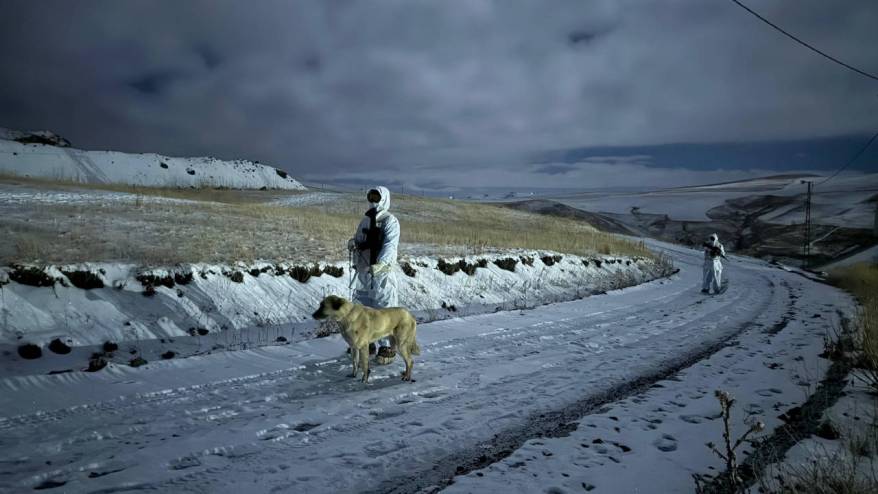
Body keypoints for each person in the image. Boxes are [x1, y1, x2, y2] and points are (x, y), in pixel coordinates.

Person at [348, 186, 401, 365]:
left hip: (381, 274)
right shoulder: (365, 220)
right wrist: (353, 246)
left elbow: (390, 245)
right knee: (362, 307)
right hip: (364, 271)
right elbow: (359, 240)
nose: (373, 200)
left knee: (383, 309)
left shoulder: (390, 221)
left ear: (384, 198)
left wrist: (382, 264)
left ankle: (386, 346)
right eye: (371, 196)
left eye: (377, 197)